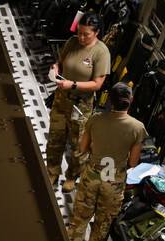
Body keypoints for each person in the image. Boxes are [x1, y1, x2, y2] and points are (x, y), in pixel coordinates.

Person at [68, 82, 144, 241]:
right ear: (130, 101)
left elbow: (83, 148)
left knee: (80, 219)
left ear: (110, 100)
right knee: (102, 224)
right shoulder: (137, 128)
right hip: (113, 183)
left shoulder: (95, 119)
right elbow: (133, 162)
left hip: (92, 176)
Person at [46, 13, 111, 193]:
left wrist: (72, 84)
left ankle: (71, 177)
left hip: (80, 105)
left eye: (86, 34)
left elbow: (97, 84)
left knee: (78, 146)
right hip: (61, 99)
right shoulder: (72, 42)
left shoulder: (101, 52)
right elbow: (60, 61)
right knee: (55, 138)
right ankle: (52, 172)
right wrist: (56, 68)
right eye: (80, 33)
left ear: (96, 33)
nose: (81, 37)